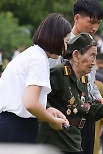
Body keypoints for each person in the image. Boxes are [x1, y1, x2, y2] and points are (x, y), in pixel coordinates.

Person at [37, 32, 103, 154]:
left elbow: (89, 111)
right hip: (55, 143)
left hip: (75, 140)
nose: (94, 62)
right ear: (76, 55)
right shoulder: (58, 74)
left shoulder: (83, 79)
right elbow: (39, 100)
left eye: (95, 56)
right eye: (92, 55)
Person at [0, 13, 71, 143]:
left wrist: (48, 110)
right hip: (16, 128)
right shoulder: (38, 59)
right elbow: (31, 103)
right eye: (66, 42)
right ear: (56, 38)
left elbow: (24, 99)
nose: (65, 48)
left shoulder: (32, 54)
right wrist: (52, 121)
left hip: (10, 125)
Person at [49, 1, 103, 153]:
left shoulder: (91, 44)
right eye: (91, 22)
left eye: (98, 23)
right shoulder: (61, 45)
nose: (95, 28)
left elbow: (90, 82)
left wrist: (98, 97)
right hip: (66, 118)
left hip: (86, 116)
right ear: (77, 18)